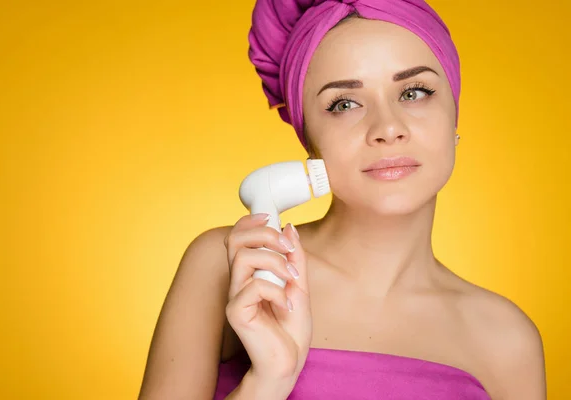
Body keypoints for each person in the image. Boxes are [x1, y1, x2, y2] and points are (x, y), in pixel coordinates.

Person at [138, 0, 547, 399]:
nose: (387, 127)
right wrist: (268, 382)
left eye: (415, 92)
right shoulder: (227, 265)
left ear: (453, 116)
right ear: (310, 141)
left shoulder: (507, 339)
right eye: (345, 104)